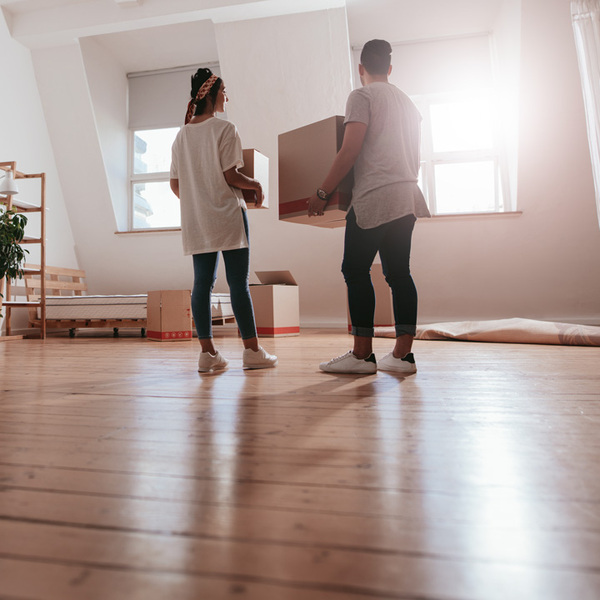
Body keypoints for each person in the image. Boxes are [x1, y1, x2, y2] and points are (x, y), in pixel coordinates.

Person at [308, 39, 430, 375]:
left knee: (355, 270)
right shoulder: (409, 104)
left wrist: (322, 192)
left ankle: (362, 356)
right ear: (389, 69)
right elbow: (416, 159)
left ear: (361, 69)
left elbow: (349, 151)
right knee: (399, 274)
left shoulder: (361, 96)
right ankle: (402, 356)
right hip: (407, 195)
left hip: (375, 196)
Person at [170, 68, 277, 372]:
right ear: (214, 93)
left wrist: (199, 201)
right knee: (238, 284)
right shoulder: (224, 129)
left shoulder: (181, 136)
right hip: (229, 216)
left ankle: (207, 354)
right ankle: (253, 352)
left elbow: (176, 185)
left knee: (202, 284)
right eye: (225, 90)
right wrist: (256, 185)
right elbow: (231, 175)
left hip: (198, 221)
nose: (227, 96)